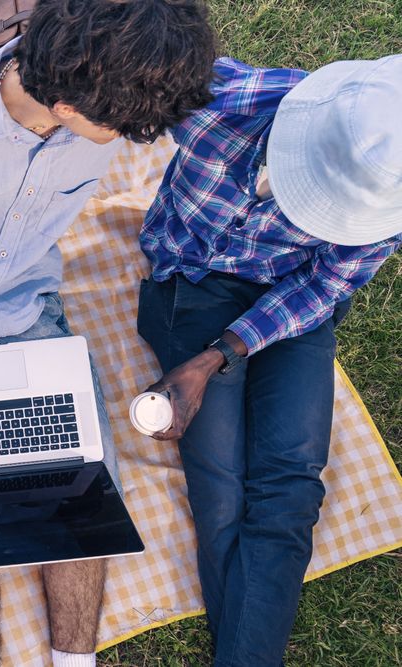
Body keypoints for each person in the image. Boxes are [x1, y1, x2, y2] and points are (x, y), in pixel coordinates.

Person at [0, 1, 217, 664]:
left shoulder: (102, 97)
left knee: (83, 479)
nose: (130, 138)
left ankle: (74, 660)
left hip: (25, 300)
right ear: (68, 107)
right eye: (120, 127)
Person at [136, 55, 402, 666]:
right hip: (194, 285)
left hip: (292, 302)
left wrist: (213, 359)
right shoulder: (215, 101)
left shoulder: (389, 195)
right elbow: (123, 57)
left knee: (290, 489)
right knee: (222, 489)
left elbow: (323, 289)